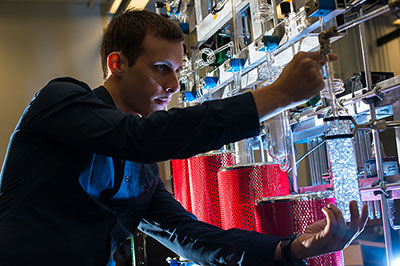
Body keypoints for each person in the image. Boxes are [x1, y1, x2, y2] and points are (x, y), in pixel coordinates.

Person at [0, 9, 368, 266]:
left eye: (177, 71)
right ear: (118, 64)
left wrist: (293, 248)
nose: (174, 85)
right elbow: (141, 137)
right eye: (161, 69)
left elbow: (190, 236)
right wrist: (278, 95)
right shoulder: (60, 99)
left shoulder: (141, 172)